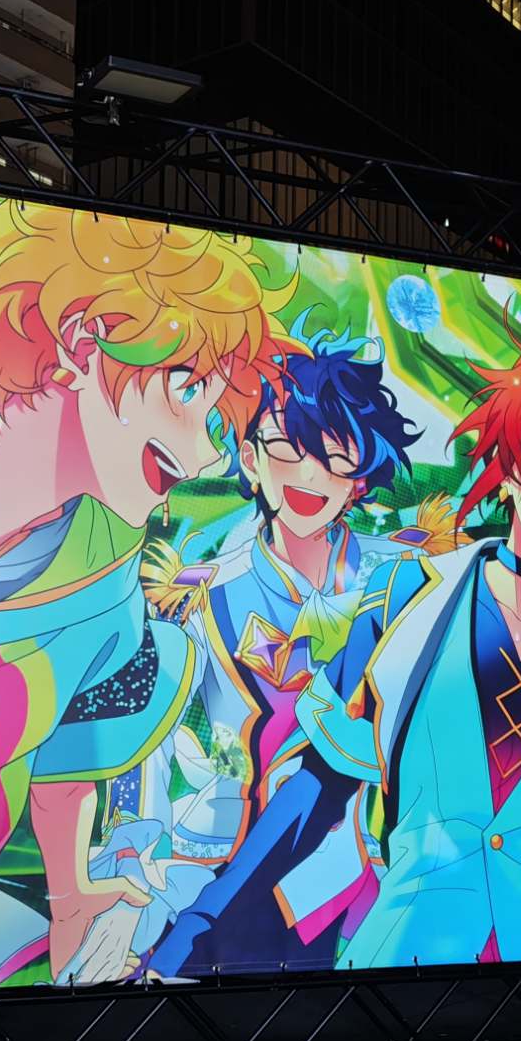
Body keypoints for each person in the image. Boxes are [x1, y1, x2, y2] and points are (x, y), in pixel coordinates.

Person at [148, 312, 521, 977]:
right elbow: (316, 786)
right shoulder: (407, 592)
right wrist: (202, 926)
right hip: (401, 954)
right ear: (512, 461)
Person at [0, 188, 286, 992]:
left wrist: (71, 893)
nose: (207, 454)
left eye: (216, 412)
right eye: (187, 389)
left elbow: (77, 742)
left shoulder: (105, 589)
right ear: (84, 341)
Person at [112, 327, 440, 956]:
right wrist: (132, 854)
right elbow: (146, 742)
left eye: (336, 456)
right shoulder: (203, 594)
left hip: (362, 871)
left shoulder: (401, 580)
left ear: (360, 479)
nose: (310, 474)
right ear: (251, 459)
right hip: (219, 867)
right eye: (289, 447)